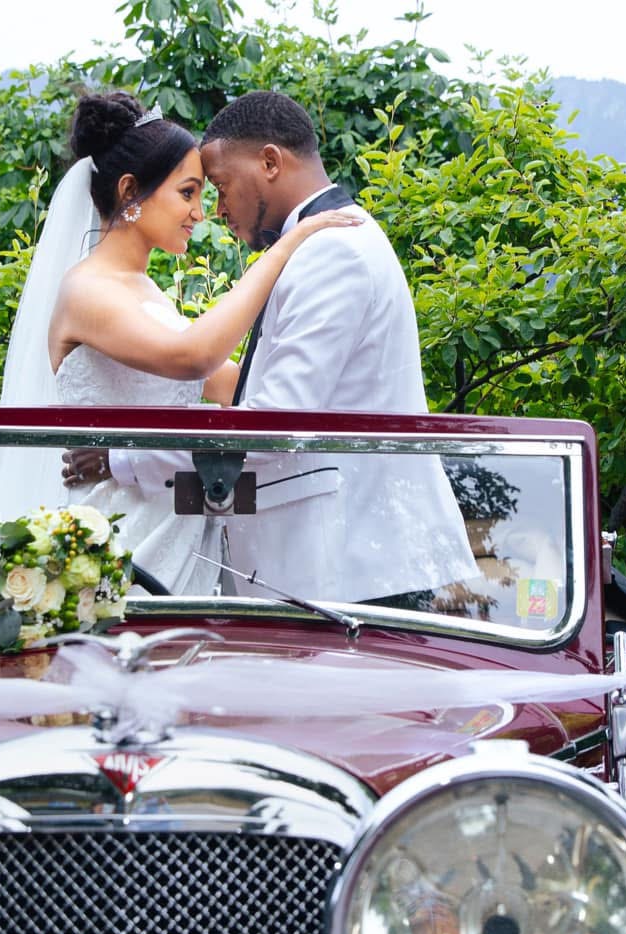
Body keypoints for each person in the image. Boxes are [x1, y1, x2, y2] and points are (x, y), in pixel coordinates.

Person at [75, 90, 480, 606]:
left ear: (270, 161)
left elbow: (273, 428)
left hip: (354, 569)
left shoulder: (333, 252)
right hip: (327, 565)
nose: (215, 210)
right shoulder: (319, 245)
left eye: (220, 186)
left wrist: (123, 463)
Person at [0, 90, 363, 593]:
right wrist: (284, 249)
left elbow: (230, 385)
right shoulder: (86, 290)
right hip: (119, 540)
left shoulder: (145, 290)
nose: (201, 213)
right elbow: (193, 357)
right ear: (131, 192)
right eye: (187, 193)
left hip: (181, 530)